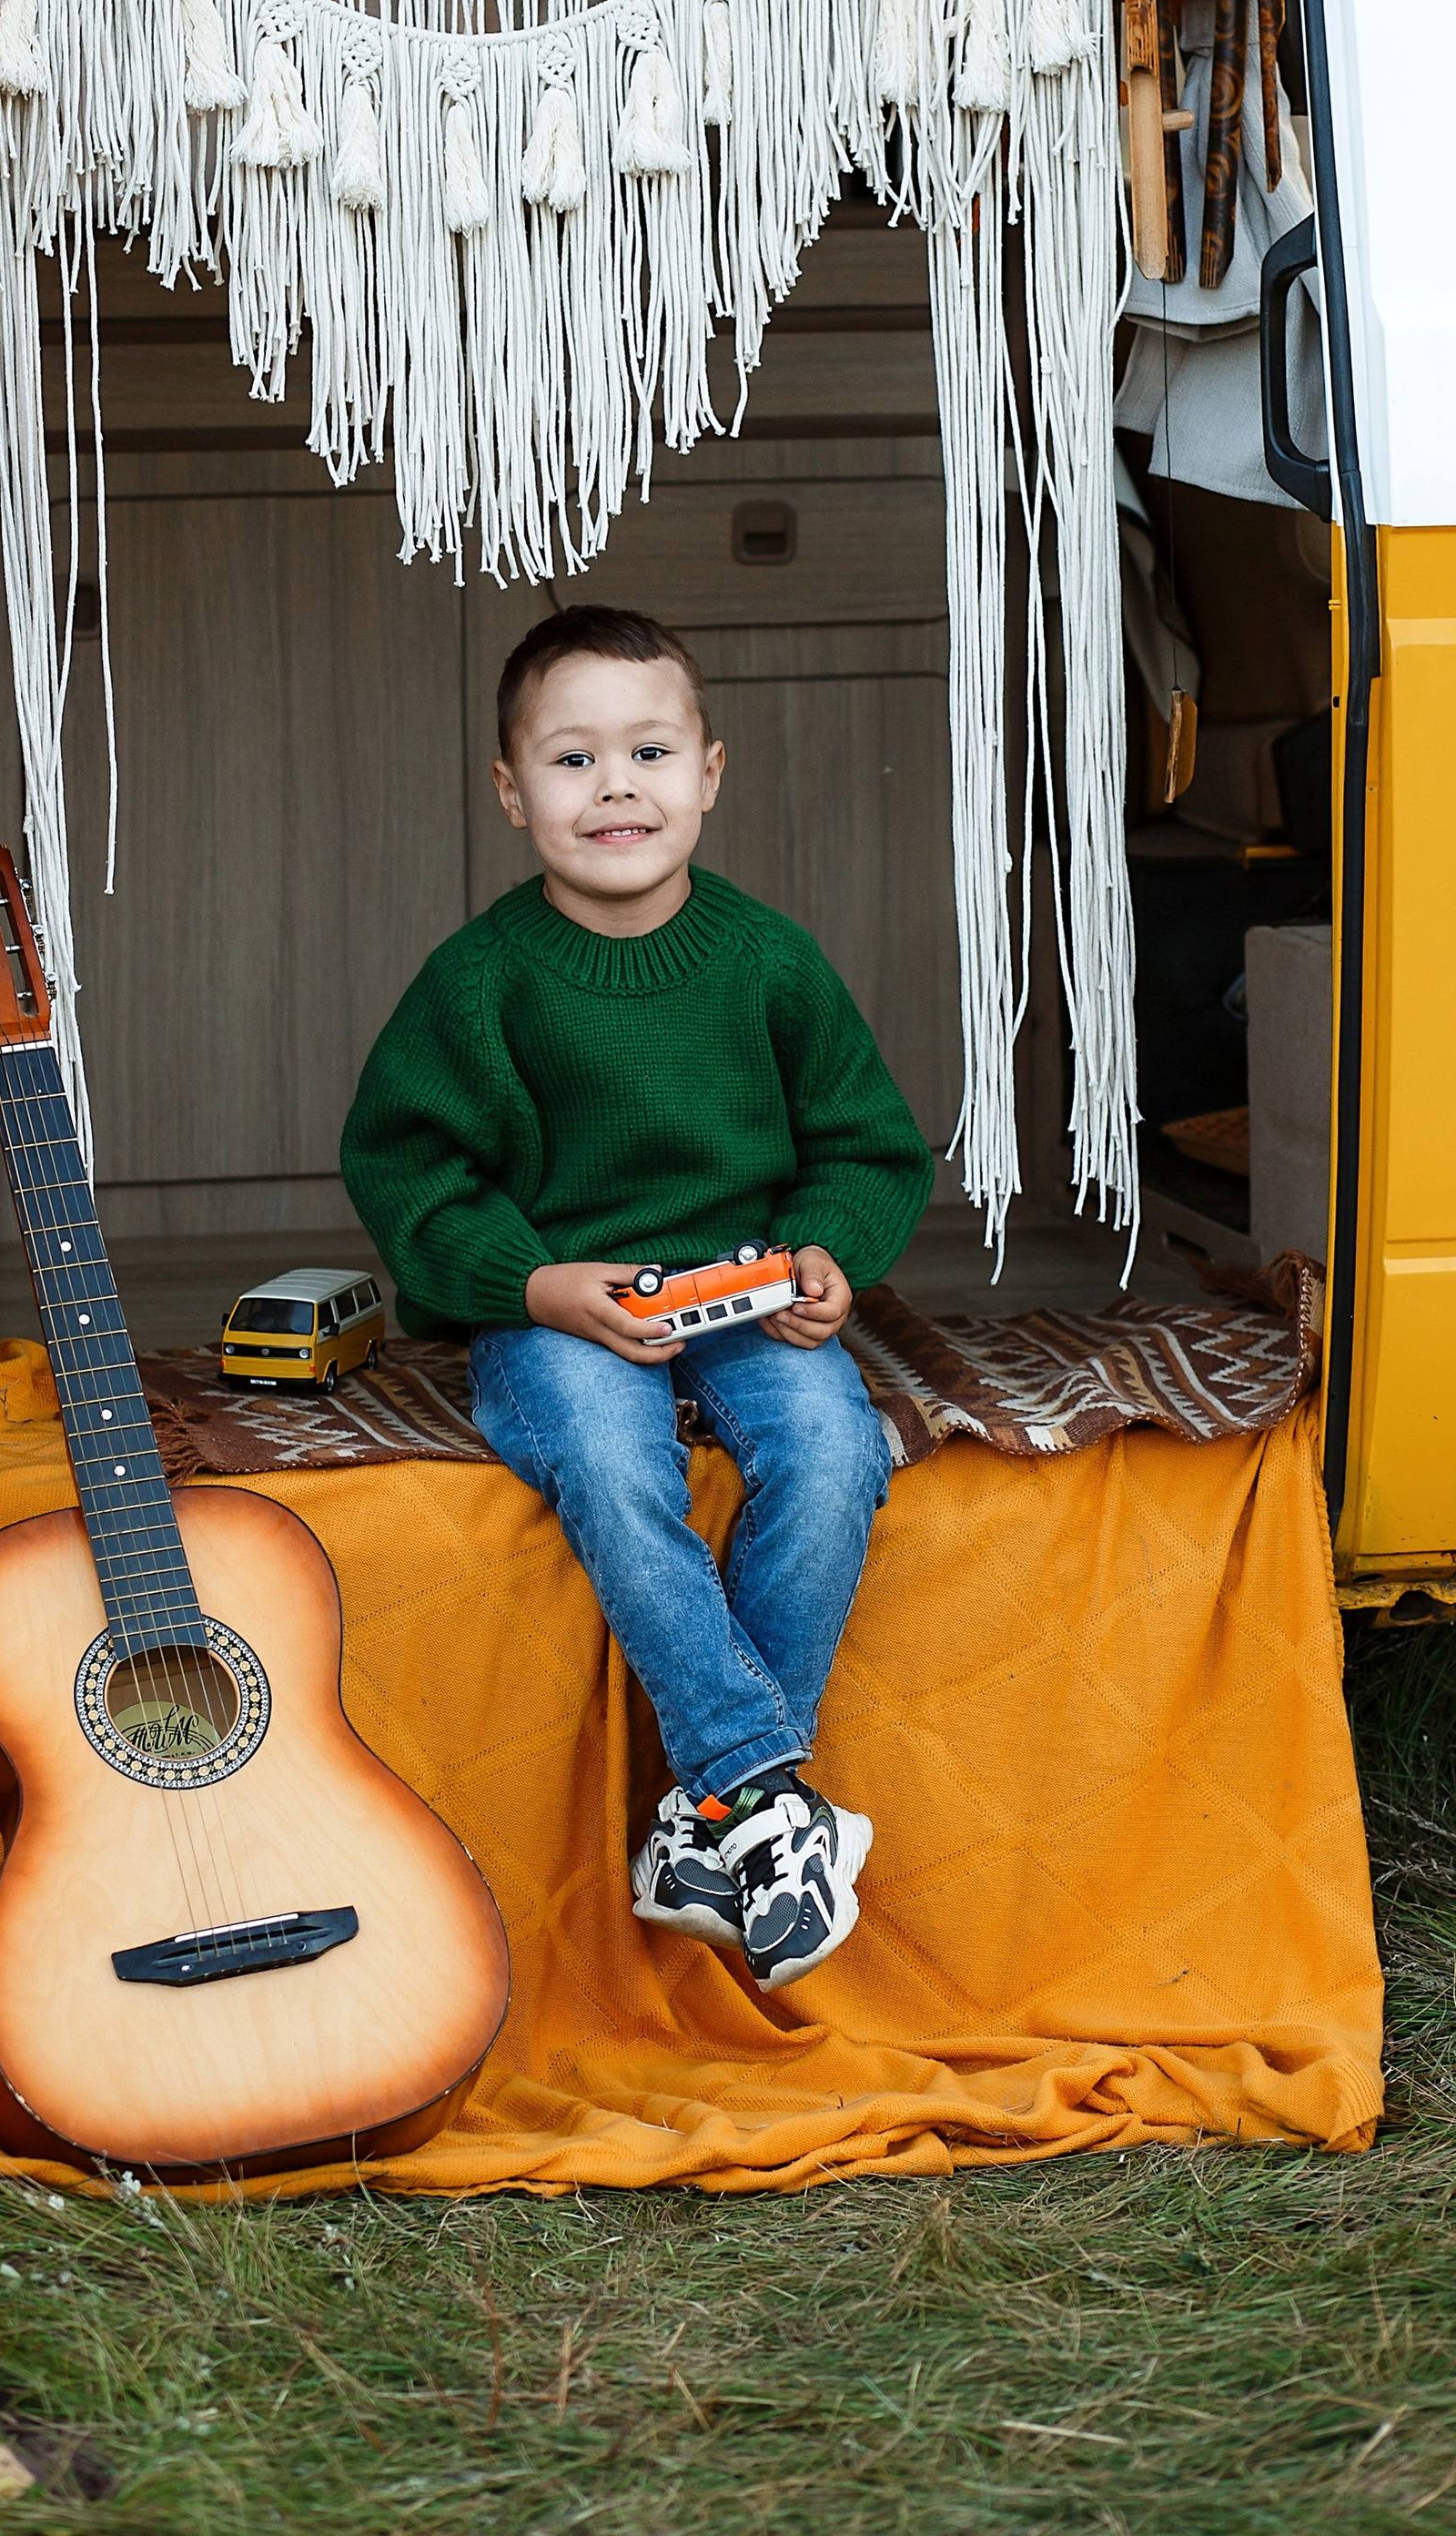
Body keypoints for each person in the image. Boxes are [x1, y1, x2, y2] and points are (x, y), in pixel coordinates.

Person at [341, 604, 933, 1991]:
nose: (617, 787)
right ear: (510, 792)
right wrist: (534, 1282)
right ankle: (762, 1797)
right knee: (612, 1462)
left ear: (711, 774)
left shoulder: (768, 960)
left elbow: (865, 1143)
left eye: (652, 751)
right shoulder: (480, 985)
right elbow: (408, 1170)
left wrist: (830, 1250)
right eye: (572, 760)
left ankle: (713, 1818)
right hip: (566, 1305)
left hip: (747, 1291)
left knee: (835, 1448)